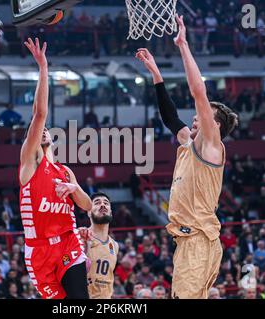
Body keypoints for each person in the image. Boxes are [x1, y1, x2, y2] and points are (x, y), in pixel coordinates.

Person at [135, 15, 239, 299]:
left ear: (214, 125)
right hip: (190, 241)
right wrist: (157, 76)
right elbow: (170, 118)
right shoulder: (189, 145)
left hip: (197, 240)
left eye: (201, 119)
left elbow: (198, 92)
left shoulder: (212, 148)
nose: (193, 121)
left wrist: (182, 45)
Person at [18, 38, 92, 299]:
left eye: (47, 130)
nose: (44, 130)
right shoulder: (29, 162)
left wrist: (75, 187)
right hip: (38, 250)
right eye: (40, 132)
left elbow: (87, 206)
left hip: (68, 243)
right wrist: (43, 68)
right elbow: (40, 114)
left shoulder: (64, 170)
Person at [80, 192, 118, 299]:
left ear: (110, 212)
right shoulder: (81, 236)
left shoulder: (115, 245)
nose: (103, 205)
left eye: (106, 203)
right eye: (97, 202)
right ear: (88, 212)